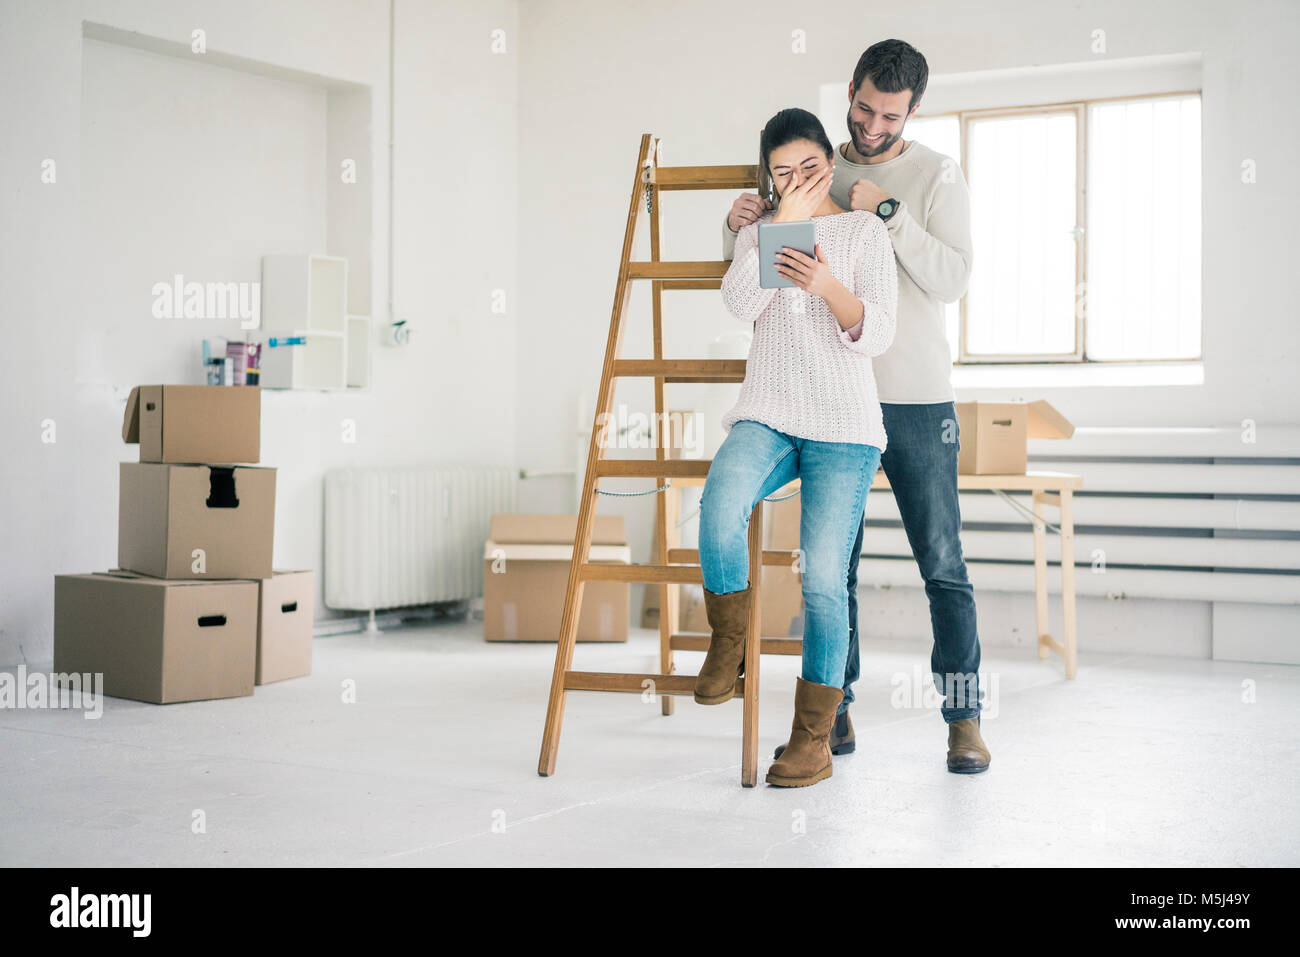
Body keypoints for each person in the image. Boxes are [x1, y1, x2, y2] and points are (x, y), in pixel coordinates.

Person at [722, 39, 990, 774]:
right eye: (864, 107)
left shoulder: (936, 173)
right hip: (830, 399)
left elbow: (953, 278)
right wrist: (740, 220)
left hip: (913, 397)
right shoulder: (814, 166)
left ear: (913, 110)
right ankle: (830, 714)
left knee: (941, 562)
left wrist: (890, 213)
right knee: (831, 567)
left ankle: (963, 719)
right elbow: (761, 274)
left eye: (889, 114)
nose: (872, 125)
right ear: (850, 90)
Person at [696, 107, 897, 789]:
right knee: (720, 504)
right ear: (770, 179)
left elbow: (878, 333)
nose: (799, 178)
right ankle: (731, 643)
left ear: (829, 166)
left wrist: (827, 285)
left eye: (809, 167)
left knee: (821, 580)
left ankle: (811, 740)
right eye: (783, 172)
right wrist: (769, 231)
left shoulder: (864, 232)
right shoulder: (761, 232)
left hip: (844, 426)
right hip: (771, 413)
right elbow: (738, 305)